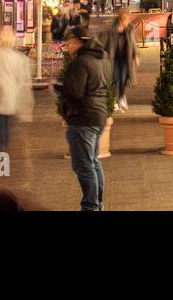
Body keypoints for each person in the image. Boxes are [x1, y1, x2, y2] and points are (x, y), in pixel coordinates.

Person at [55, 24, 109, 211]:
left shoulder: (80, 62)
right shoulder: (100, 58)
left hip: (83, 118)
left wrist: (59, 89)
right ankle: (97, 203)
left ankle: (91, 206)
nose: (66, 47)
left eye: (68, 43)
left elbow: (74, 92)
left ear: (77, 43)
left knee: (84, 166)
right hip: (98, 114)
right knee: (93, 162)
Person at [0, 26, 33, 154]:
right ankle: (2, 150)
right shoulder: (18, 58)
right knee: (4, 124)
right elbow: (22, 79)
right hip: (10, 96)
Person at [102, 7, 139, 111]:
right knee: (115, 78)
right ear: (121, 20)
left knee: (123, 78)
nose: (127, 22)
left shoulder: (130, 28)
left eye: (128, 20)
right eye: (125, 20)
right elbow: (107, 42)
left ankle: (121, 97)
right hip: (114, 58)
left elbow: (133, 43)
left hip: (125, 58)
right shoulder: (112, 28)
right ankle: (116, 99)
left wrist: (135, 55)